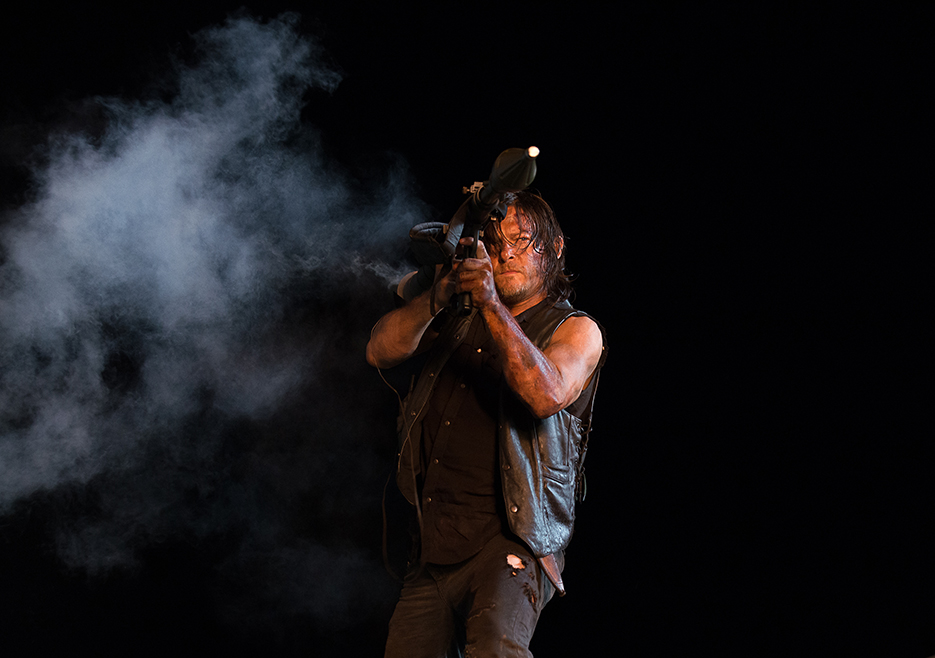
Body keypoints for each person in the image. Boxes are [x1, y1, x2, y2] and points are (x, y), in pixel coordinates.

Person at [366, 191, 607, 657]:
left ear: (555, 247)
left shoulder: (576, 329)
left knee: (497, 650)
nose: (507, 254)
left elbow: (546, 394)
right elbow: (378, 350)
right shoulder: (457, 315)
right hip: (434, 541)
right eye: (495, 244)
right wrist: (438, 296)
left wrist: (491, 303)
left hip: (512, 542)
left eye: (522, 240)